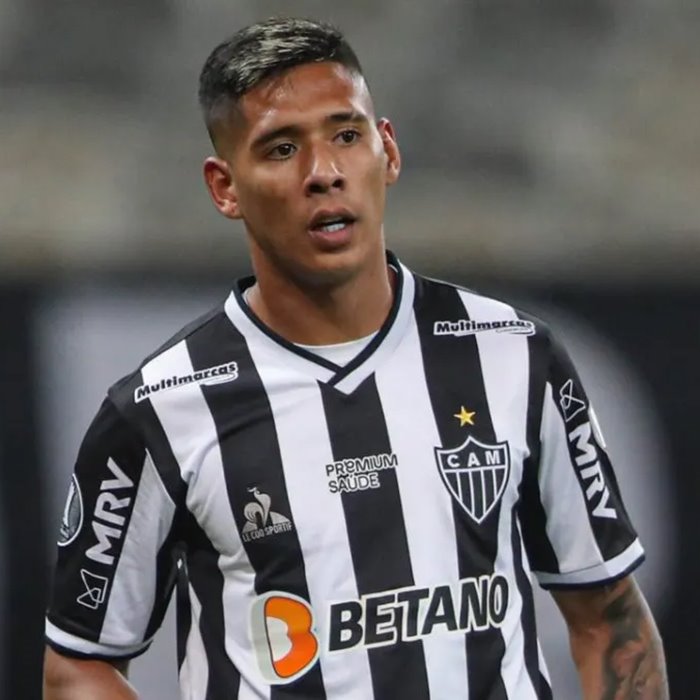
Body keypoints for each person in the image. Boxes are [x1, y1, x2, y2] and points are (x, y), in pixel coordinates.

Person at [43, 16, 669, 700]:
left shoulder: (515, 355)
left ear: (388, 150)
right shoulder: (160, 410)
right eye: (282, 149)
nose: (324, 173)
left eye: (346, 135)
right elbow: (80, 665)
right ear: (225, 187)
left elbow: (610, 620)